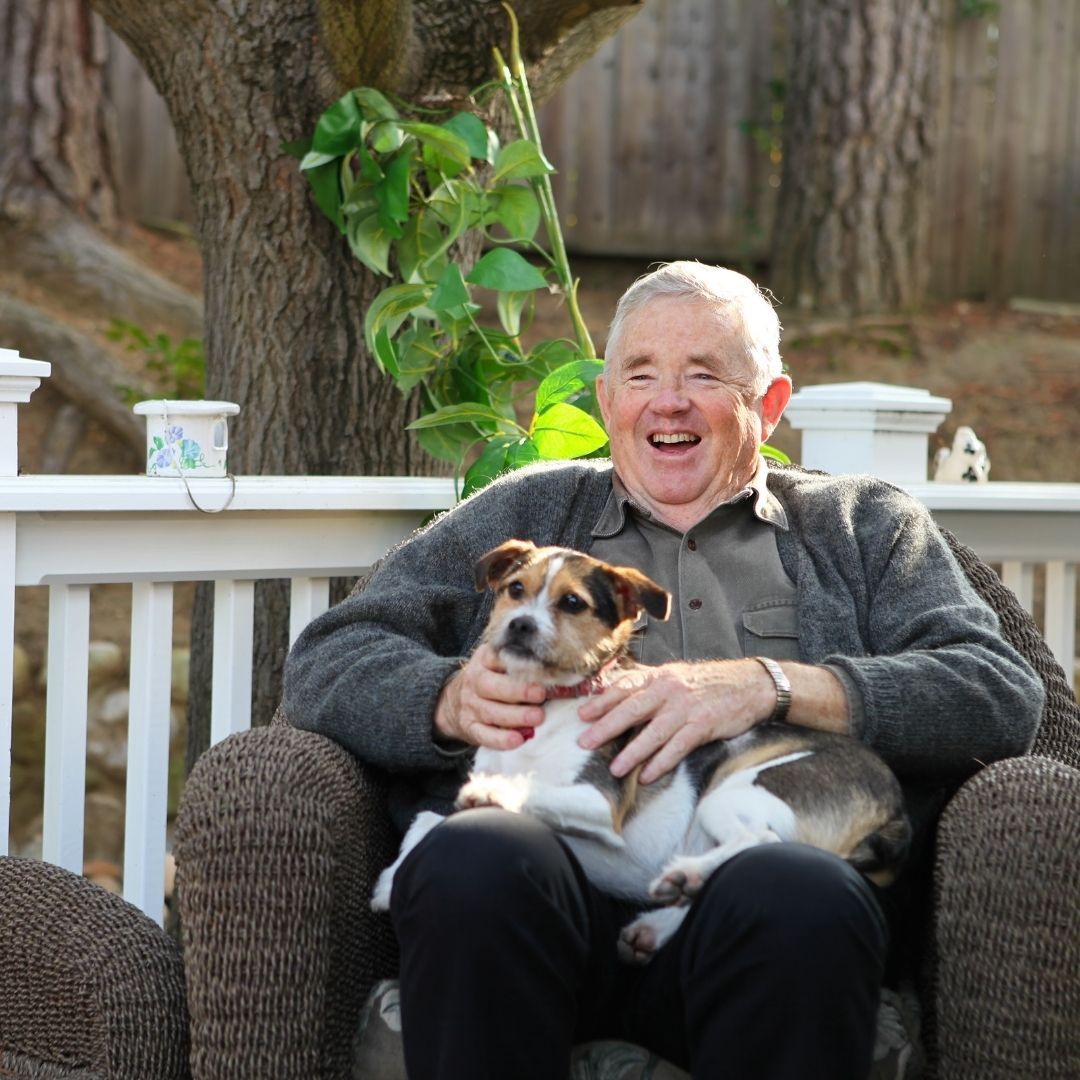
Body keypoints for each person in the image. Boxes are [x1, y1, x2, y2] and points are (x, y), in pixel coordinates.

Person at [283, 261, 1042, 1079]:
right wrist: (447, 699)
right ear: (608, 401)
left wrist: (769, 685)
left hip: (755, 920)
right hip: (538, 908)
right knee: (475, 856)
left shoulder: (863, 527)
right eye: (640, 375)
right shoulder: (525, 516)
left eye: (704, 375)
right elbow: (328, 658)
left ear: (769, 404)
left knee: (799, 893)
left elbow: (998, 692)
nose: (668, 402)